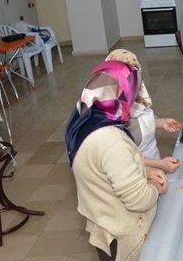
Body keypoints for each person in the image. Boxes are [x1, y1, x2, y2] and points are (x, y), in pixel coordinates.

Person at [66, 60, 167, 261]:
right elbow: (137, 199)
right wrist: (155, 186)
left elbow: (103, 167)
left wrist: (144, 171)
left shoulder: (83, 119)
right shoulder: (111, 140)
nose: (135, 99)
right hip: (121, 232)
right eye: (132, 93)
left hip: (101, 220)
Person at [105, 49, 181, 174]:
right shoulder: (110, 113)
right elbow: (124, 158)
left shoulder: (137, 93)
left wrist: (161, 122)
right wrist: (159, 164)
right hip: (134, 173)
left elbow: (142, 118)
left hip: (155, 161)